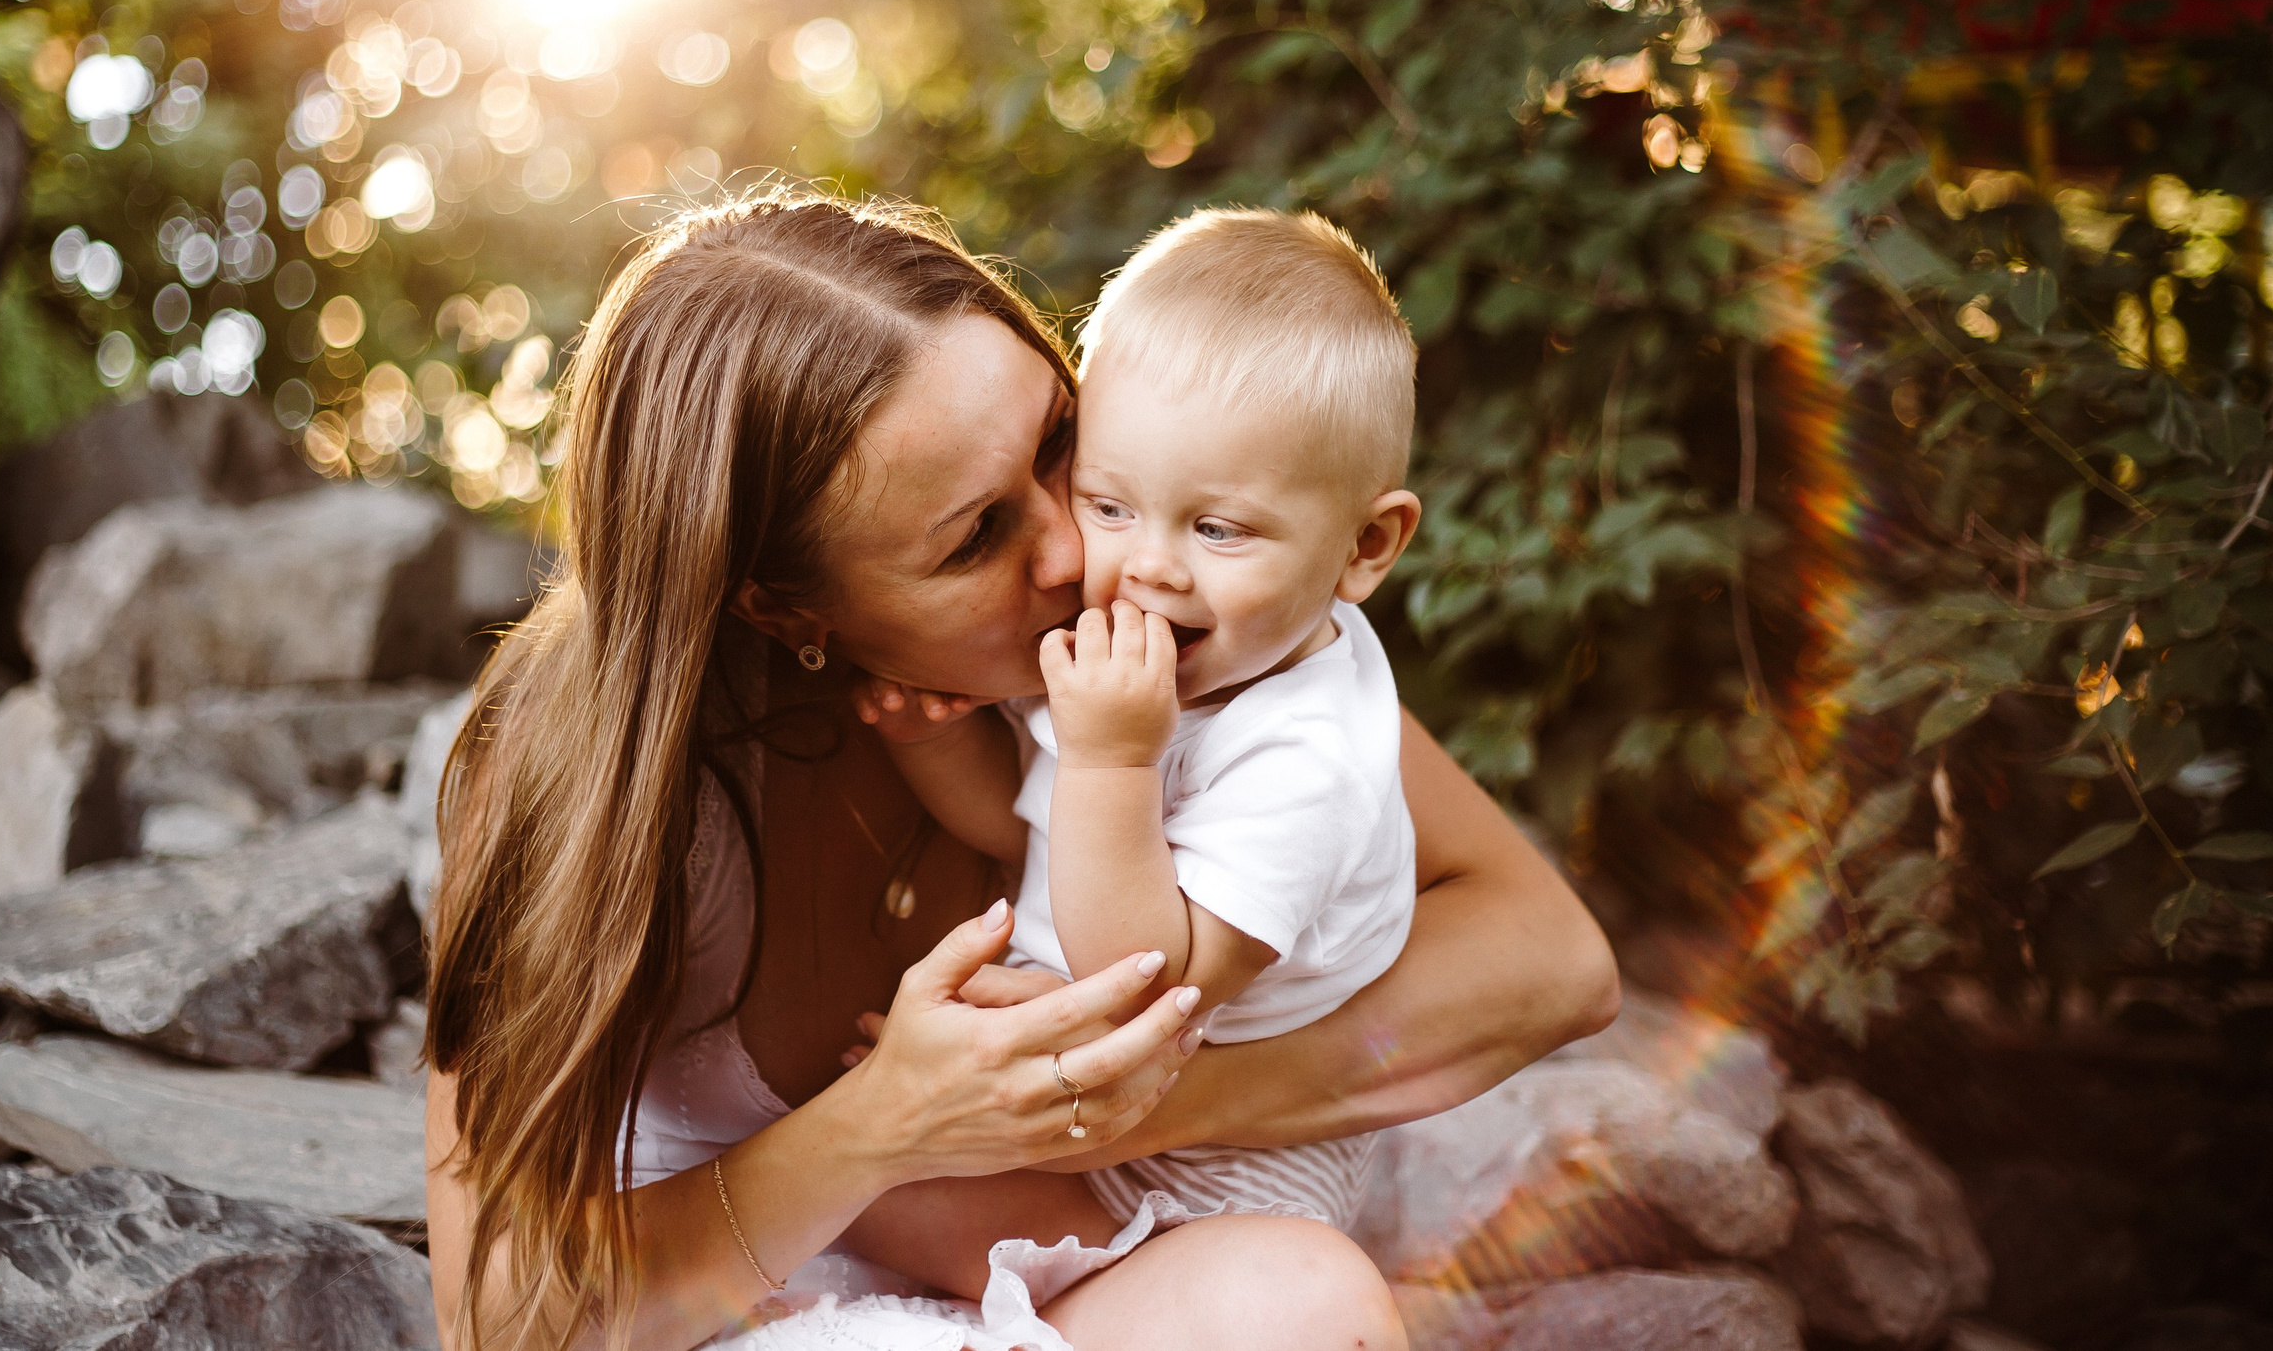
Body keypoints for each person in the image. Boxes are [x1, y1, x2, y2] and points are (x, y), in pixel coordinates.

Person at [421, 197, 1619, 1351]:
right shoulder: (572, 762)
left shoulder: (1174, 670)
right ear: (783, 604)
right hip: (731, 1311)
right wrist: (886, 1128)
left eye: (1061, 448)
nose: (1077, 551)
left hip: (1087, 1266)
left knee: (1312, 1309)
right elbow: (504, 1322)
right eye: (974, 537)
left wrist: (1131, 1102)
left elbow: (1549, 963)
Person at [859, 210, 1423, 1256]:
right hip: (1102, 1078)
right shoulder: (1142, 653)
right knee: (859, 1174)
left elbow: (1144, 981)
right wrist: (928, 740)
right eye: (1110, 505)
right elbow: (1020, 825)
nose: (1147, 566)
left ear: (1364, 545)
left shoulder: (1307, 753)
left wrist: (1115, 756)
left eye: (1217, 528)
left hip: (1224, 1150)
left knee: (895, 1202)